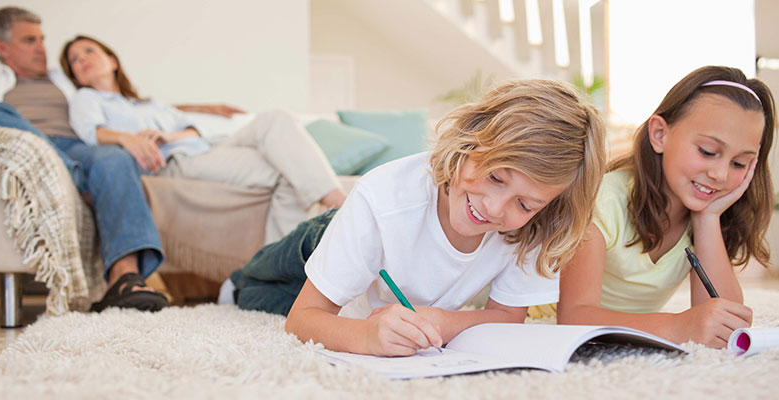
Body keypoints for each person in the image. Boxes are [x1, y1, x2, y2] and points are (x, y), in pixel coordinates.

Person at [224, 79, 607, 356]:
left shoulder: (534, 226)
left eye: (524, 204)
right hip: (318, 241)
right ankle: (236, 282)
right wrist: (366, 338)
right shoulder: (383, 198)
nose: (494, 208)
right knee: (256, 292)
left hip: (379, 290)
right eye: (494, 177)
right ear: (469, 142)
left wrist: (443, 321)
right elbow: (302, 320)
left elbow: (507, 315)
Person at [0, 6, 188, 311]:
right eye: (30, 40)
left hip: (79, 149)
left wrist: (203, 110)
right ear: (2, 48)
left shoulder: (67, 79)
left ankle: (124, 279)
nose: (42, 48)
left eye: (42, 39)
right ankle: (72, 173)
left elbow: (126, 102)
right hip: (31, 148)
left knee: (114, 158)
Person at [556, 66, 775, 349]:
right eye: (707, 151)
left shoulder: (709, 213)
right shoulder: (601, 202)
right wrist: (678, 325)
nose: (720, 174)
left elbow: (727, 325)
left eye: (739, 164)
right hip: (538, 315)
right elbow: (573, 317)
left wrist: (707, 219)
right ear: (659, 134)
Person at [59, 35, 346, 243]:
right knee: (285, 172)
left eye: (88, 51)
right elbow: (91, 132)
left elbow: (191, 128)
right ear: (74, 76)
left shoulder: (148, 104)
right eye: (74, 59)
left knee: (276, 118)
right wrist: (128, 139)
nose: (81, 59)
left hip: (203, 145)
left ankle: (333, 200)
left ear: (111, 61)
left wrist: (169, 134)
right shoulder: (86, 99)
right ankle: (334, 215)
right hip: (178, 160)